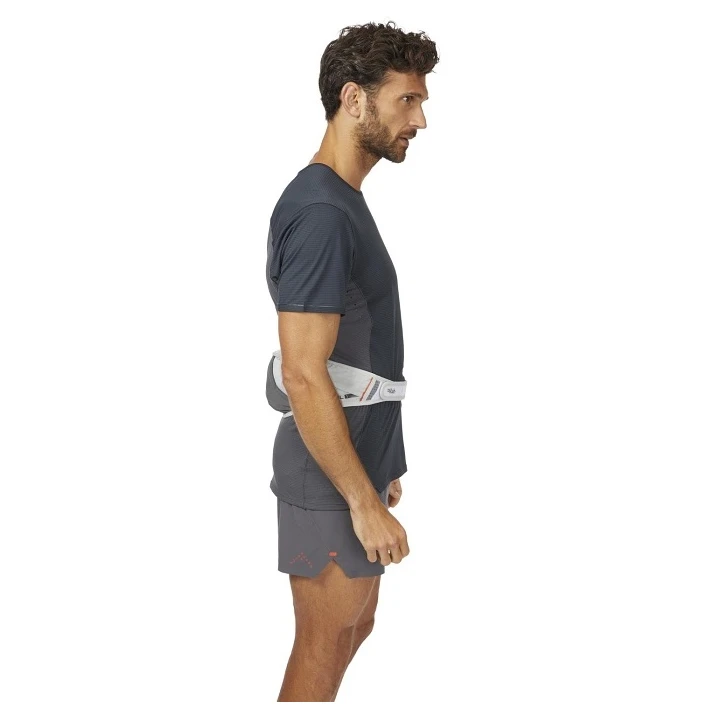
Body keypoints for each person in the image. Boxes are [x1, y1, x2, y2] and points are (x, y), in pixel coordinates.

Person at [264, 21, 439, 702]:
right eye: (406, 100)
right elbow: (303, 372)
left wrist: (378, 463)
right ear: (353, 98)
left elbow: (355, 350)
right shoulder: (321, 213)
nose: (419, 120)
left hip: (354, 461)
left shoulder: (342, 202)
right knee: (323, 640)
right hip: (326, 476)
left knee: (352, 627)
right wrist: (361, 501)